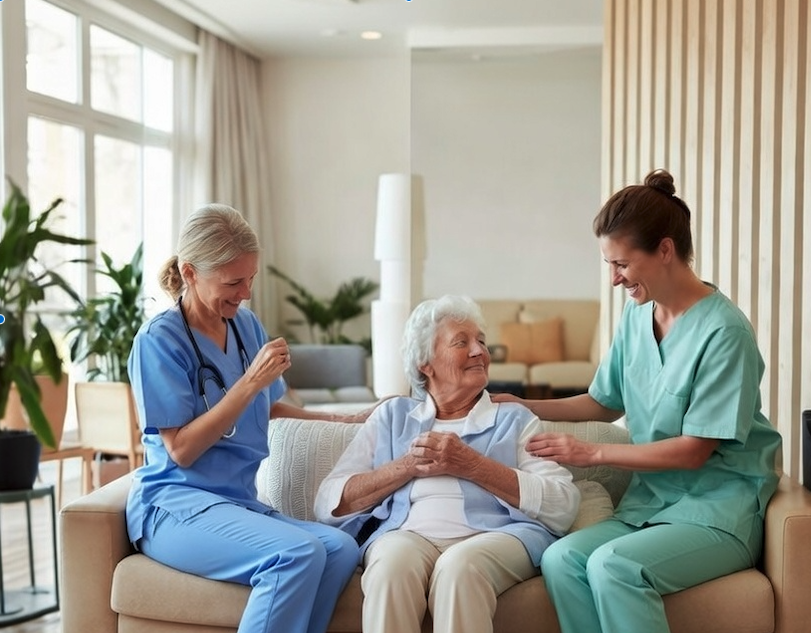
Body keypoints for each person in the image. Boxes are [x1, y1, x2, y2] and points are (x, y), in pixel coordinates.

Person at [493, 169, 782, 633]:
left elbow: (693, 451)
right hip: (651, 506)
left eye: (621, 264)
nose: (613, 279)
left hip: (717, 511)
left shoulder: (725, 332)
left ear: (664, 250)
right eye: (610, 264)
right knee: (562, 558)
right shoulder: (637, 314)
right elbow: (601, 402)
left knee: (615, 566)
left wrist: (591, 452)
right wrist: (522, 404)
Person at [126, 203, 365, 633]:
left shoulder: (245, 325)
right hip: (175, 506)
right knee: (298, 553)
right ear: (191, 272)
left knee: (341, 548)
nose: (246, 293)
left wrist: (342, 419)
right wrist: (249, 383)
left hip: (237, 504)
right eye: (234, 281)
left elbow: (269, 406)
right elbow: (179, 450)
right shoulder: (159, 341)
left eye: (250, 278)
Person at [314, 295, 580, 633]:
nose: (479, 351)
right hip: (406, 535)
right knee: (390, 566)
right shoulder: (392, 417)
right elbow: (328, 503)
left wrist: (472, 465)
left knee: (459, 567)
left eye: (481, 341)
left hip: (496, 536)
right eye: (462, 342)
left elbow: (563, 505)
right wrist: (406, 466)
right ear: (426, 363)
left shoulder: (514, 419)